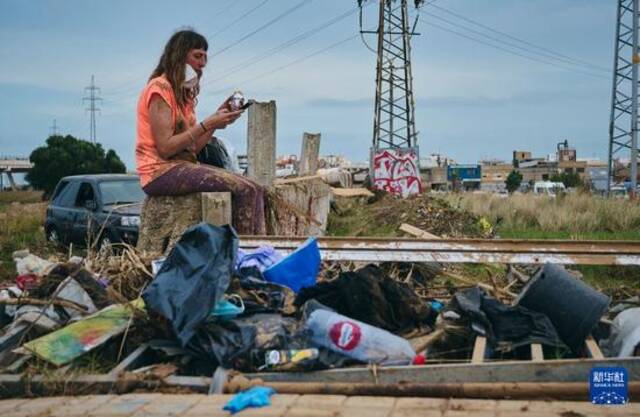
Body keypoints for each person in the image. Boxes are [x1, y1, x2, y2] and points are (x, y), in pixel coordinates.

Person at [136, 29, 266, 234]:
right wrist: (206, 124)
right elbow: (165, 148)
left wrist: (215, 121)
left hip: (180, 165)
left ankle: (253, 252)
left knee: (255, 187)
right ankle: (246, 257)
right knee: (246, 190)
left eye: (205, 57)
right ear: (179, 56)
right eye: (197, 56)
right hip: (158, 170)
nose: (203, 63)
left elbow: (192, 148)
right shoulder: (160, 89)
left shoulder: (183, 94)